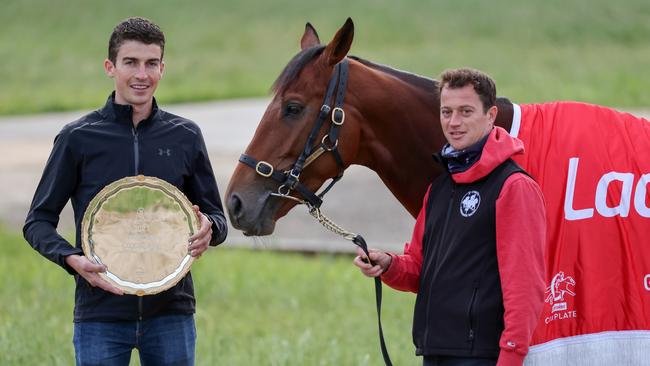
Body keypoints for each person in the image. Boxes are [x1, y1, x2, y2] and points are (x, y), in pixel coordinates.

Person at [23, 17, 227, 365]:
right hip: (100, 314)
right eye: (130, 62)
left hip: (171, 312)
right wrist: (73, 260)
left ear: (162, 68)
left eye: (151, 63)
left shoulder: (185, 136)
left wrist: (209, 227)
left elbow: (218, 218)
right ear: (110, 67)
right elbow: (37, 222)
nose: (141, 75)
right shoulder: (78, 138)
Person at [354, 68, 546, 366]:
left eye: (465, 111)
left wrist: (511, 357)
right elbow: (419, 269)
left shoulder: (514, 187)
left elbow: (526, 288)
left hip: (484, 357)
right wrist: (389, 265)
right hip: (435, 352)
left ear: (491, 114)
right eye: (446, 112)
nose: (453, 122)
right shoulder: (440, 188)